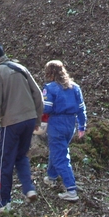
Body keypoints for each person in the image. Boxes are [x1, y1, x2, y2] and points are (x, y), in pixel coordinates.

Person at [0, 41, 44, 212]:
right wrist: (37, 120)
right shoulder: (20, 68)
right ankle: (29, 188)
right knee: (21, 156)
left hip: (11, 123)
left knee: (4, 162)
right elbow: (38, 94)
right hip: (29, 119)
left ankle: (3, 203)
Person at [41, 60, 87, 201]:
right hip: (70, 124)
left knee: (61, 156)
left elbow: (46, 108)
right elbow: (81, 108)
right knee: (58, 150)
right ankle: (51, 177)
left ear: (50, 73)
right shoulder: (75, 87)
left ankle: (71, 189)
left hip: (57, 123)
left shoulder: (50, 88)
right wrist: (81, 126)